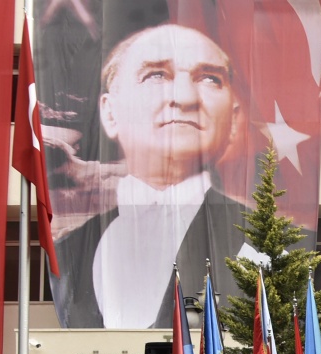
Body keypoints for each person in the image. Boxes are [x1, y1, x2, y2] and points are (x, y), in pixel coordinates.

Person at [55, 24, 254, 329]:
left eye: (209, 79)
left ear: (234, 119)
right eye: (156, 76)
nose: (185, 98)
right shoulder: (65, 253)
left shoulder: (266, 240)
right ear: (109, 112)